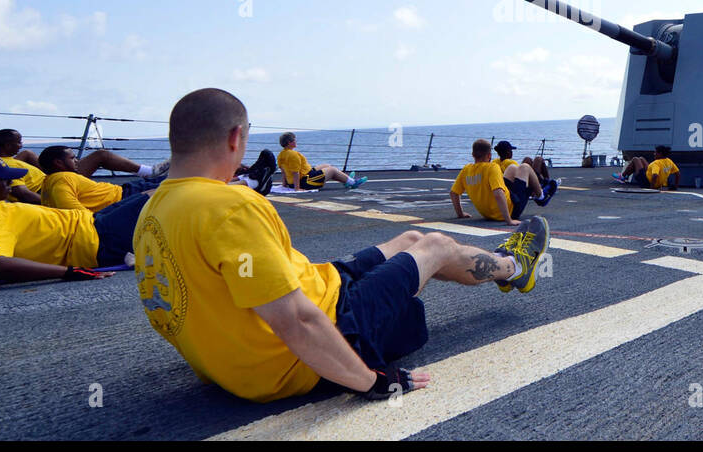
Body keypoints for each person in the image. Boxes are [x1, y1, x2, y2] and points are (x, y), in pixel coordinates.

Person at [133, 88, 551, 404]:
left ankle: (499, 265)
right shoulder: (228, 205)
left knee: (409, 239)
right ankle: (514, 267)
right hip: (307, 351)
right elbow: (296, 320)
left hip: (241, 358)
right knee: (435, 245)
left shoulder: (154, 209)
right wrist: (372, 381)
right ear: (234, 138)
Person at [0, 153, 148, 283]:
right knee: (166, 195)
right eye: (3, 180)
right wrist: (68, 272)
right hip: (98, 240)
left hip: (92, 222)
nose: (10, 184)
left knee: (157, 192)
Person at [451, 139, 555, 226]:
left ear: (473, 154)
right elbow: (498, 193)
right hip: (511, 210)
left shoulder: (466, 170)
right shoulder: (492, 167)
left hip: (488, 213)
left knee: (512, 168)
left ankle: (538, 191)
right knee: (525, 167)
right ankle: (541, 196)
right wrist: (509, 220)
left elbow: (454, 193)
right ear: (489, 155)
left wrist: (460, 214)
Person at [38, 145, 163, 212]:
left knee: (170, 180)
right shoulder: (61, 180)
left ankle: (153, 172)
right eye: (72, 158)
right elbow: (78, 214)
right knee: (174, 183)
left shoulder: (50, 182)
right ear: (59, 163)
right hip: (126, 197)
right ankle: (152, 171)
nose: (77, 161)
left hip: (125, 190)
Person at [276, 132, 366, 191]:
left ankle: (346, 180)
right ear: (289, 142)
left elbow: (284, 172)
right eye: (294, 140)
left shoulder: (282, 154)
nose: (296, 141)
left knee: (326, 165)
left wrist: (285, 185)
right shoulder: (293, 155)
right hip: (306, 181)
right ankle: (353, 183)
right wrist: (297, 188)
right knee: (332, 170)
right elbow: (295, 173)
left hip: (304, 176)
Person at [0, 129, 45, 203]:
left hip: (46, 186)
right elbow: (23, 194)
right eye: (19, 142)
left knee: (27, 153)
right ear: (8, 146)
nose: (21, 146)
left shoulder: (1, 160)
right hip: (42, 192)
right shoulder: (8, 166)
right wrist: (51, 202)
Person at [614, 145, 680, 190]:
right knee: (641, 158)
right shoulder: (669, 161)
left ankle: (623, 176)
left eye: (655, 152)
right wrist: (675, 186)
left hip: (646, 182)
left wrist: (651, 188)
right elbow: (678, 174)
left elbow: (655, 175)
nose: (654, 154)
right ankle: (626, 176)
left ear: (660, 154)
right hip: (655, 182)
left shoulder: (656, 163)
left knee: (635, 159)